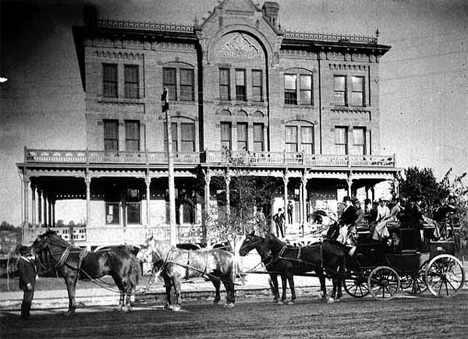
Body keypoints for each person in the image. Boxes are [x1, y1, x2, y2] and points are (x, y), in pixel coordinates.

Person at [17, 245, 37, 319]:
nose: (29, 253)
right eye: (27, 252)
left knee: (29, 298)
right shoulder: (21, 262)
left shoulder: (27, 260)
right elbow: (22, 274)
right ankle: (24, 314)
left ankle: (27, 313)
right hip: (27, 283)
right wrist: (27, 283)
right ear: (24, 253)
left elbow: (34, 264)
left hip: (31, 281)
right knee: (27, 299)